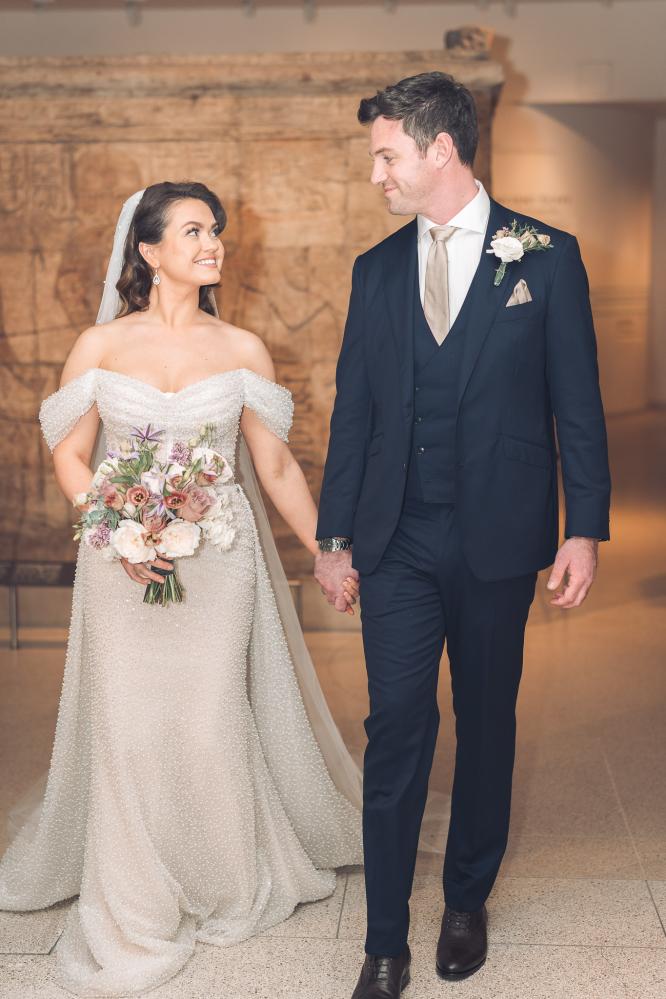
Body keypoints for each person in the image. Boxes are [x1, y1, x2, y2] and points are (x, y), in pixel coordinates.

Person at [0, 181, 363, 997]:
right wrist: (115, 527)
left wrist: (330, 552)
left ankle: (224, 877)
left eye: (216, 230)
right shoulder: (99, 344)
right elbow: (70, 454)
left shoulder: (243, 348)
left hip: (220, 559)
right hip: (122, 566)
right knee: (130, 727)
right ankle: (134, 891)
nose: (213, 243)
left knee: (206, 720)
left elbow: (274, 467)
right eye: (194, 230)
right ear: (148, 249)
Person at [315, 72, 611, 997]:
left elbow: (578, 403)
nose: (377, 175)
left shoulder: (547, 257)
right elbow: (354, 414)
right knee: (397, 723)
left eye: (386, 156)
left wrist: (584, 527)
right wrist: (333, 535)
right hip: (395, 538)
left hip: (498, 536)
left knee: (487, 722)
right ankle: (384, 939)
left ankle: (466, 900)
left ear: (440, 149)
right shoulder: (374, 271)